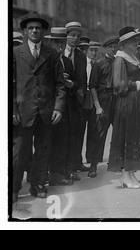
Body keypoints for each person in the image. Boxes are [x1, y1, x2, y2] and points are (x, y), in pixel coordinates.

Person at [13, 12, 65, 202]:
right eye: (31, 28)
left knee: (43, 151)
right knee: (19, 152)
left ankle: (38, 185)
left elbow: (60, 84)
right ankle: (14, 188)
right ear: (25, 31)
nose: (34, 30)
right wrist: (12, 110)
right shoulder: (15, 53)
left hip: (46, 112)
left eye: (38, 28)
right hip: (23, 112)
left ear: (43, 31)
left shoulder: (52, 53)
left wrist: (58, 108)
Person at [108, 26, 140, 189]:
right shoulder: (120, 58)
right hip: (128, 103)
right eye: (133, 41)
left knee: (135, 136)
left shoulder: (132, 57)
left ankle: (131, 174)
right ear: (125, 43)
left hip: (137, 102)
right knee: (129, 136)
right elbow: (119, 85)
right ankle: (125, 175)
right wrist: (139, 84)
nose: (137, 43)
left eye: (137, 41)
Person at [43, 28, 76, 186]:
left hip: (65, 106)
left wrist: (70, 84)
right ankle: (45, 174)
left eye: (62, 42)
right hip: (49, 106)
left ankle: (58, 171)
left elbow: (75, 82)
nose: (59, 45)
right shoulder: (44, 59)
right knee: (47, 141)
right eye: (56, 42)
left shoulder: (67, 61)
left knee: (63, 140)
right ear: (50, 42)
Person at [86, 37, 119, 178]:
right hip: (103, 99)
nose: (113, 49)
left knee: (118, 132)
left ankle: (116, 163)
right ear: (105, 48)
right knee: (98, 133)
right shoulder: (98, 64)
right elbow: (92, 86)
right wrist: (98, 106)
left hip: (117, 99)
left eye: (115, 47)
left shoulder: (120, 62)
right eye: (110, 47)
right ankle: (93, 165)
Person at [64, 21, 88, 180]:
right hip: (62, 99)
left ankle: (76, 162)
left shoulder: (80, 55)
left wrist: (75, 86)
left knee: (78, 132)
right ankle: (66, 167)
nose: (75, 38)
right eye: (72, 35)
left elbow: (82, 79)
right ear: (66, 36)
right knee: (64, 134)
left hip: (76, 98)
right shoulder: (57, 52)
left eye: (78, 36)